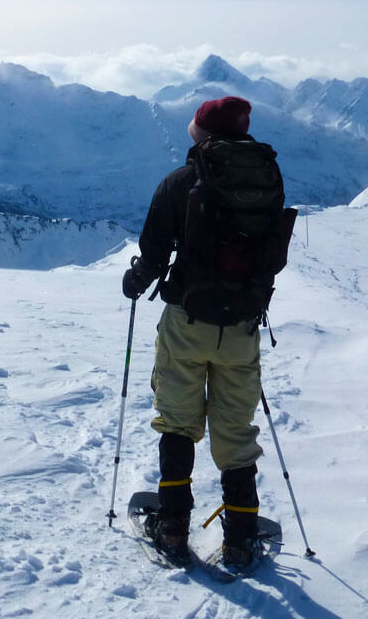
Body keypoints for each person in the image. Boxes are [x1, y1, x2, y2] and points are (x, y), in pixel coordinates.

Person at [121, 95, 267, 569]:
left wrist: (136, 281)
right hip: (242, 325)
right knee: (235, 433)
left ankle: (173, 528)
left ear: (202, 133)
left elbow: (155, 251)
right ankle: (242, 539)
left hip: (187, 321)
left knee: (178, 423)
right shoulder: (265, 181)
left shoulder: (181, 183)